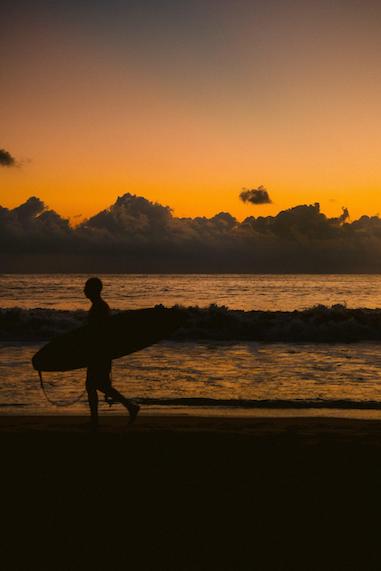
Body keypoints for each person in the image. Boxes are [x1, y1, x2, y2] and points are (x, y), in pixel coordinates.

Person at [84, 277, 140, 429]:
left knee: (93, 385)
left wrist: (98, 353)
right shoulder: (98, 306)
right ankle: (130, 407)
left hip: (100, 352)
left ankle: (97, 420)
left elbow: (101, 333)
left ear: (95, 290)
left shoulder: (100, 307)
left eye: (87, 287)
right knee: (99, 385)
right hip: (99, 352)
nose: (84, 290)